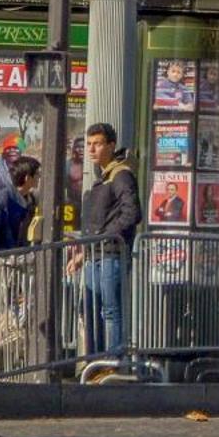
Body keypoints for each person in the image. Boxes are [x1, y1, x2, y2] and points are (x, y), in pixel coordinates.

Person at [76, 123, 139, 354]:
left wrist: (106, 235)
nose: (92, 149)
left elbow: (131, 212)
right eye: (89, 144)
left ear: (111, 146)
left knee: (110, 310)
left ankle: (113, 361)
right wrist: (84, 253)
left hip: (111, 254)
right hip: (95, 254)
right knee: (90, 310)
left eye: (98, 144)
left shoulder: (120, 174)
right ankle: (96, 360)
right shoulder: (101, 177)